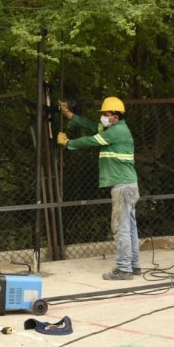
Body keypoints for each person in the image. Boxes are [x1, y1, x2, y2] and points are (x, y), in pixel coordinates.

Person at [57, 97, 141, 280]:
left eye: (106, 114)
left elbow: (91, 140)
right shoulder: (114, 128)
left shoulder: (116, 132)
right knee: (130, 227)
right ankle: (133, 266)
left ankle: (124, 269)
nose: (103, 116)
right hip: (129, 185)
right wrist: (69, 114)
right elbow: (90, 125)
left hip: (122, 186)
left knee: (120, 227)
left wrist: (68, 143)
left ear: (116, 116)